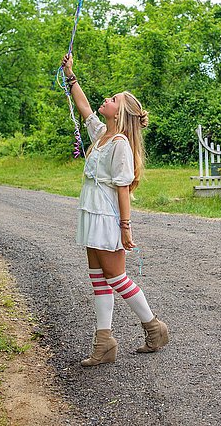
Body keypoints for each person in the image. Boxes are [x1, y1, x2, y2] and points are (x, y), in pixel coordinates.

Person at [61, 52, 169, 367]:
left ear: (120, 112)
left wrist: (126, 227)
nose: (105, 99)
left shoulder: (120, 143)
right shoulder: (101, 135)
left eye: (113, 98)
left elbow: (123, 187)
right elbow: (82, 106)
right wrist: (71, 75)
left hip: (107, 217)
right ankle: (104, 343)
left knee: (116, 277)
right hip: (91, 213)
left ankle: (154, 328)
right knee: (98, 278)